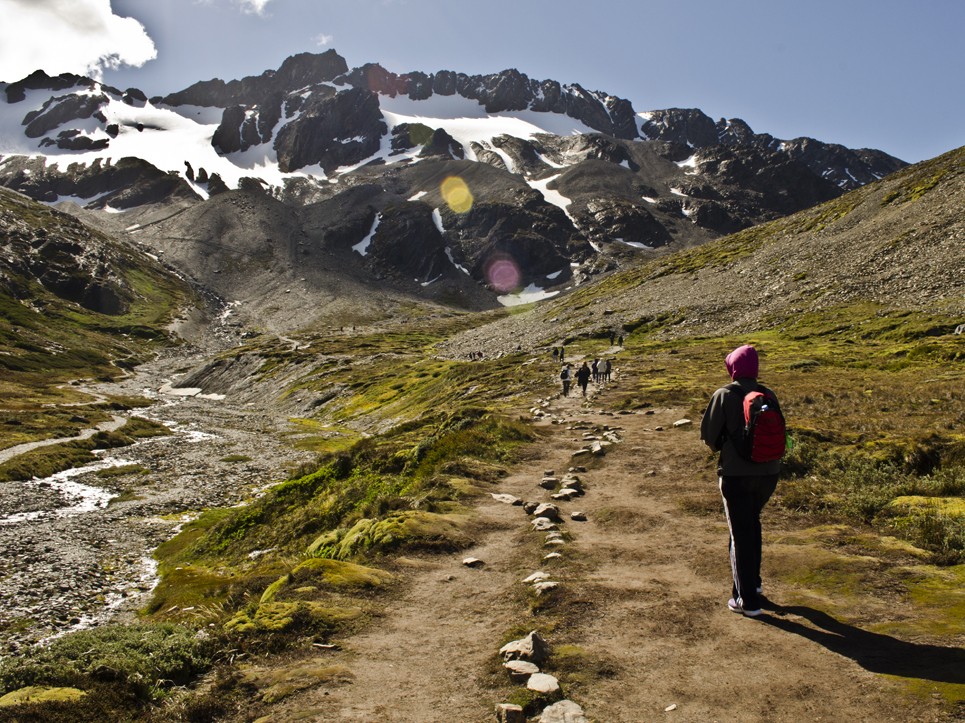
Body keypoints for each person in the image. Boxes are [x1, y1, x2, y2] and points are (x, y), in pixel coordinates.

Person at [699, 344, 781, 618]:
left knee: (739, 532)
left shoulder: (724, 394)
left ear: (733, 367)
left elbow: (709, 436)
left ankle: (746, 601)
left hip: (736, 475)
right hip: (769, 474)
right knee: (752, 524)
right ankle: (754, 584)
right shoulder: (768, 394)